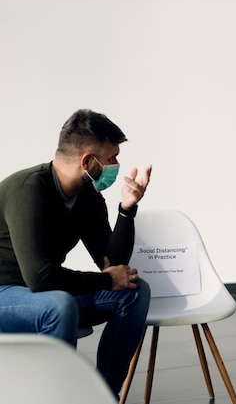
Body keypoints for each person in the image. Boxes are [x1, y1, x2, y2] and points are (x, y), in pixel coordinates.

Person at [0, 109, 152, 397]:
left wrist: (127, 209)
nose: (116, 165)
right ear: (87, 161)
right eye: (111, 159)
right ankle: (59, 398)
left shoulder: (88, 198)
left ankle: (103, 395)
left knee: (134, 291)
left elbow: (113, 264)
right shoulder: (28, 190)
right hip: (6, 294)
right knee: (59, 305)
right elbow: (41, 279)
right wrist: (107, 281)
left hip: (40, 296)